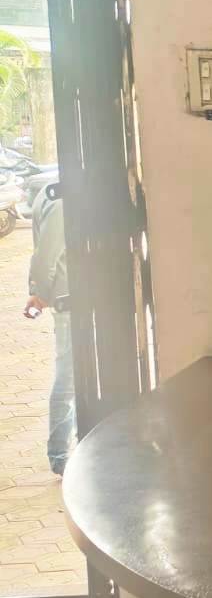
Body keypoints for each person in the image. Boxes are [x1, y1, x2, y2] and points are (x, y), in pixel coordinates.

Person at [24, 182, 73, 477]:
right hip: (70, 300)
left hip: (70, 298)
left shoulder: (48, 191)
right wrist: (39, 293)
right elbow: (46, 253)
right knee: (68, 378)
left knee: (72, 376)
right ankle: (60, 455)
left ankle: (66, 451)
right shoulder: (61, 197)